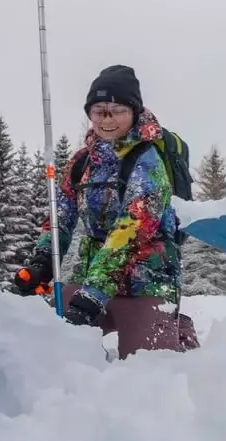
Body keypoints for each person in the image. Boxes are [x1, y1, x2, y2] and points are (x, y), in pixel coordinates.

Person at [11, 65, 200, 360]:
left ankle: (176, 327)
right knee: (46, 339)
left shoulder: (147, 160)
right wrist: (43, 262)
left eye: (116, 110)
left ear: (134, 112)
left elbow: (132, 230)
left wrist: (94, 293)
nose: (106, 119)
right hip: (92, 275)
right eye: (99, 111)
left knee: (148, 368)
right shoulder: (81, 163)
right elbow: (60, 216)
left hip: (147, 278)